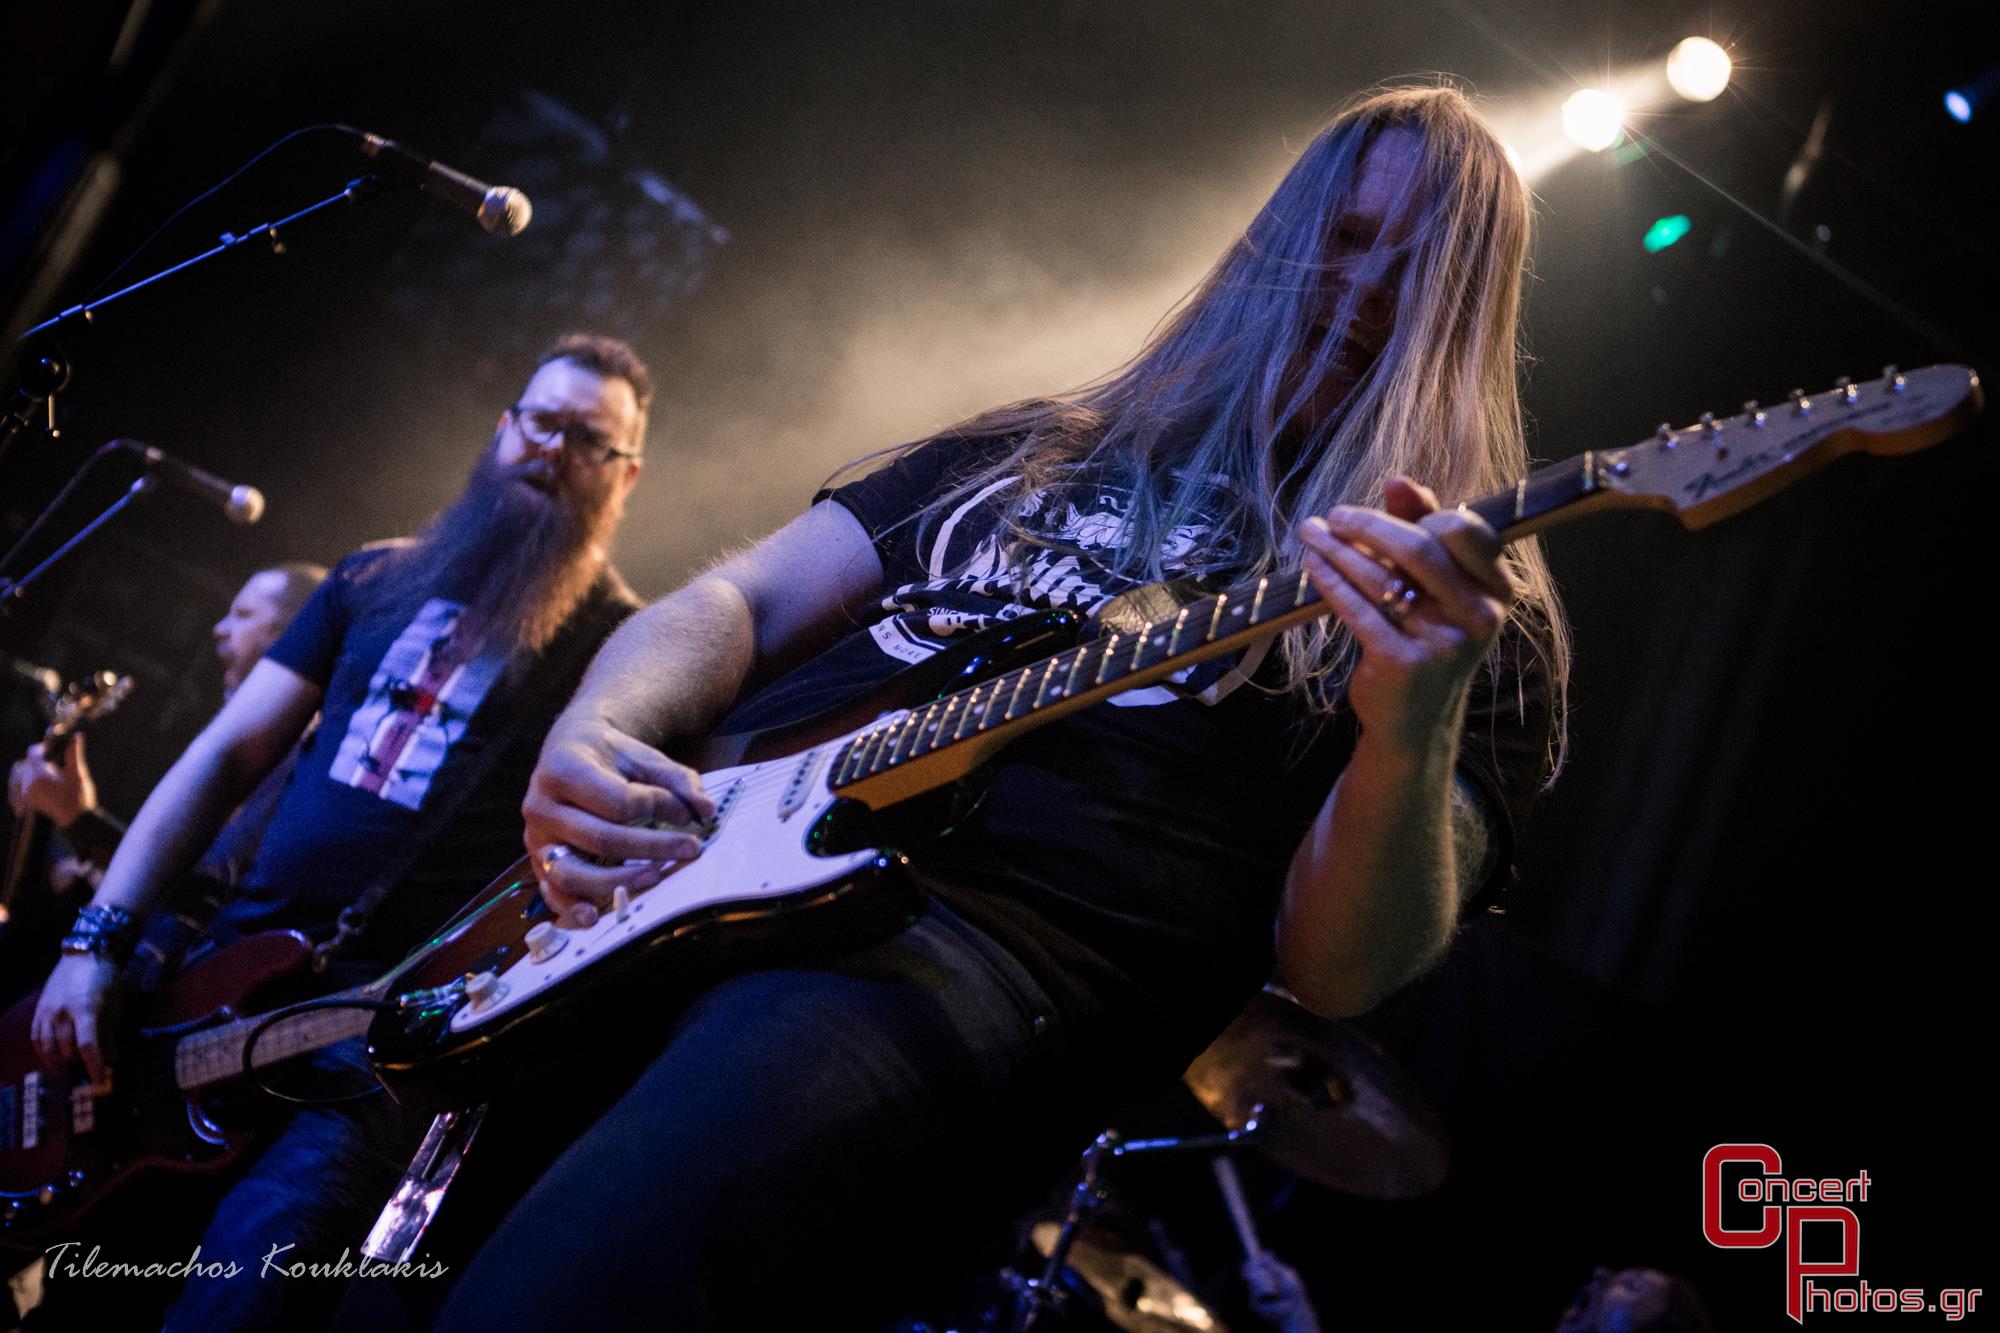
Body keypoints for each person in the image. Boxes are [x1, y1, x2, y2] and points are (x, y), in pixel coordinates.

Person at [441, 84, 1568, 1329]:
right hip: (680, 872)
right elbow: (739, 601)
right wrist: (599, 726)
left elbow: (1340, 969)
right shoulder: (1037, 445)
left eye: (1414, 275)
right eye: (1345, 241)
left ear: (1465, 321)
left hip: (961, 962)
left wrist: (1410, 718)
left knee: (550, 1292)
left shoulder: (1471, 610)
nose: (1359, 296)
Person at [23, 332, 652, 1331]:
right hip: (206, 991)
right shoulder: (371, 577)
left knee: (237, 1308)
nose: (555, 451)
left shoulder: (620, 647)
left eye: (590, 439)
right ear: (505, 428)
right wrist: (93, 943)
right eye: (542, 423)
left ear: (625, 474)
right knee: (86, 1300)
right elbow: (223, 756)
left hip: (375, 1049)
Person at [6, 562, 326, 878]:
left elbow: (204, 892)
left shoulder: (301, 764)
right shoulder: (233, 746)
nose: (219, 629)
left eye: (243, 614)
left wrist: (78, 818)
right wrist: (52, 815)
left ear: (295, 635)